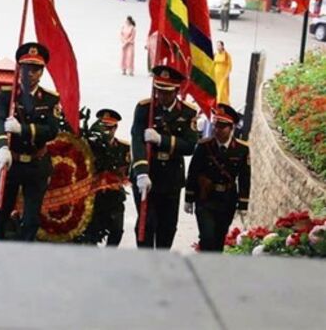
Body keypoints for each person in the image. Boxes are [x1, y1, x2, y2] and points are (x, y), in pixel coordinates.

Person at [0, 42, 61, 241]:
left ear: (41, 72)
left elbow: (52, 131)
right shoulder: (7, 94)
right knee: (0, 214)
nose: (30, 73)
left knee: (31, 219)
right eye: (26, 68)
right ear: (19, 69)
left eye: (35, 69)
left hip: (35, 164)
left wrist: (22, 129)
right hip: (11, 162)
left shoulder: (49, 99)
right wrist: (1, 148)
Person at [130, 65, 199, 249]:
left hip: (170, 178)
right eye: (159, 90)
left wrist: (162, 140)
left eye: (166, 92)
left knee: (167, 227)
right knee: (147, 223)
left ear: (176, 91)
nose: (161, 96)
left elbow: (190, 145)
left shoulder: (188, 112)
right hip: (148, 174)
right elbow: (137, 141)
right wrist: (141, 172)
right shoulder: (145, 108)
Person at [184, 104, 250, 252]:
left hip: (227, 199)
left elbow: (244, 177)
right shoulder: (204, 146)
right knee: (207, 236)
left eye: (222, 127)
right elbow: (193, 172)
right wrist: (189, 198)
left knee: (219, 238)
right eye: (215, 125)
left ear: (231, 128)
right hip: (205, 198)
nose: (217, 130)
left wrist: (243, 204)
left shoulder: (241, 149)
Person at [80, 109, 130, 246]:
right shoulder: (90, 146)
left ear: (115, 128)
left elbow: (129, 172)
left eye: (109, 127)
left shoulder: (124, 148)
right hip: (94, 196)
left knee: (117, 230)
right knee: (92, 233)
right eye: (103, 127)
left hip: (115, 196)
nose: (105, 131)